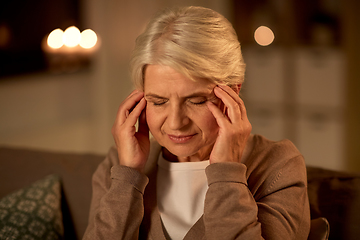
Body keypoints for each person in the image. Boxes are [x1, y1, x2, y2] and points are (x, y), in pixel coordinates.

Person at [83, 6, 310, 240]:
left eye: (196, 100)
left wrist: (226, 174)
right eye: (159, 101)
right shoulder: (117, 165)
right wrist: (128, 176)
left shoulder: (277, 166)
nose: (175, 123)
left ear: (232, 93)